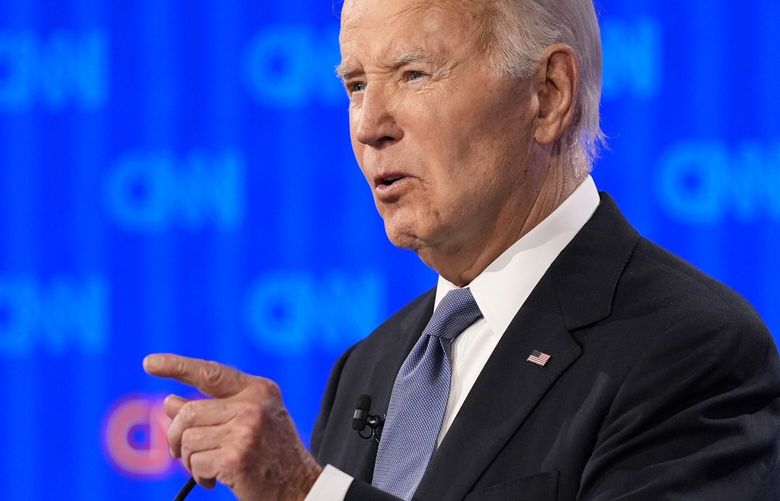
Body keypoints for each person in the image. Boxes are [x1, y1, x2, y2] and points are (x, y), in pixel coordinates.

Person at [144, 0, 780, 499]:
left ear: (549, 94)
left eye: (414, 74)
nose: (369, 125)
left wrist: (307, 493)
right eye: (357, 84)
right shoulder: (367, 369)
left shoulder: (690, 348)